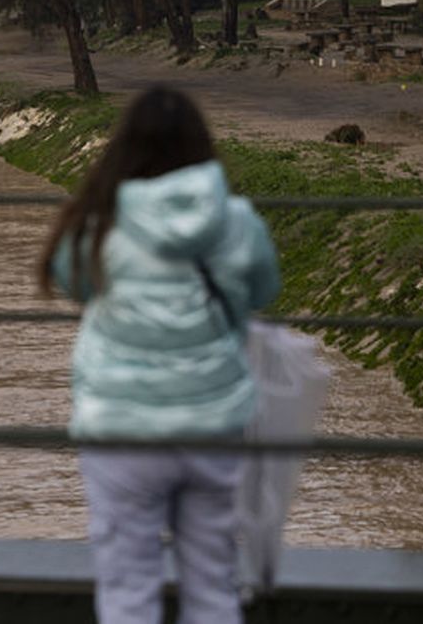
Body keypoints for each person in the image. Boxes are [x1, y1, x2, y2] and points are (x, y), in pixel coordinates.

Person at [38, 85, 280, 624]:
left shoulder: (101, 223)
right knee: (214, 585)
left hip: (121, 429)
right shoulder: (237, 221)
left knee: (128, 588)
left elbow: (68, 281)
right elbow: (263, 291)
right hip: (214, 425)